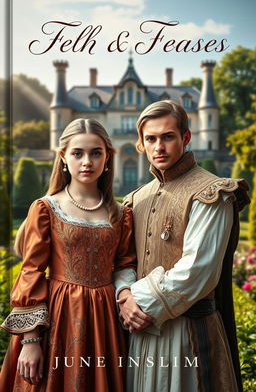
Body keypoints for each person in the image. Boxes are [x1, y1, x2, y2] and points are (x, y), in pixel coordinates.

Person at [114, 100, 250, 392]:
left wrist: (137, 305)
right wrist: (124, 295)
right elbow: (125, 260)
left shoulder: (212, 192)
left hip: (189, 335)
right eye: (150, 139)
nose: (158, 147)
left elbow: (198, 270)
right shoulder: (136, 199)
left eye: (168, 136)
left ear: (185, 138)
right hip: (140, 335)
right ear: (141, 143)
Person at [0, 118, 137, 392]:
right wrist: (30, 341)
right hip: (59, 316)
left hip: (104, 321)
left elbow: (125, 265)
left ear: (108, 157)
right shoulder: (46, 209)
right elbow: (31, 272)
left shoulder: (122, 214)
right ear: (63, 157)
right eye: (78, 153)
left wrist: (125, 295)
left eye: (96, 153)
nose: (87, 161)